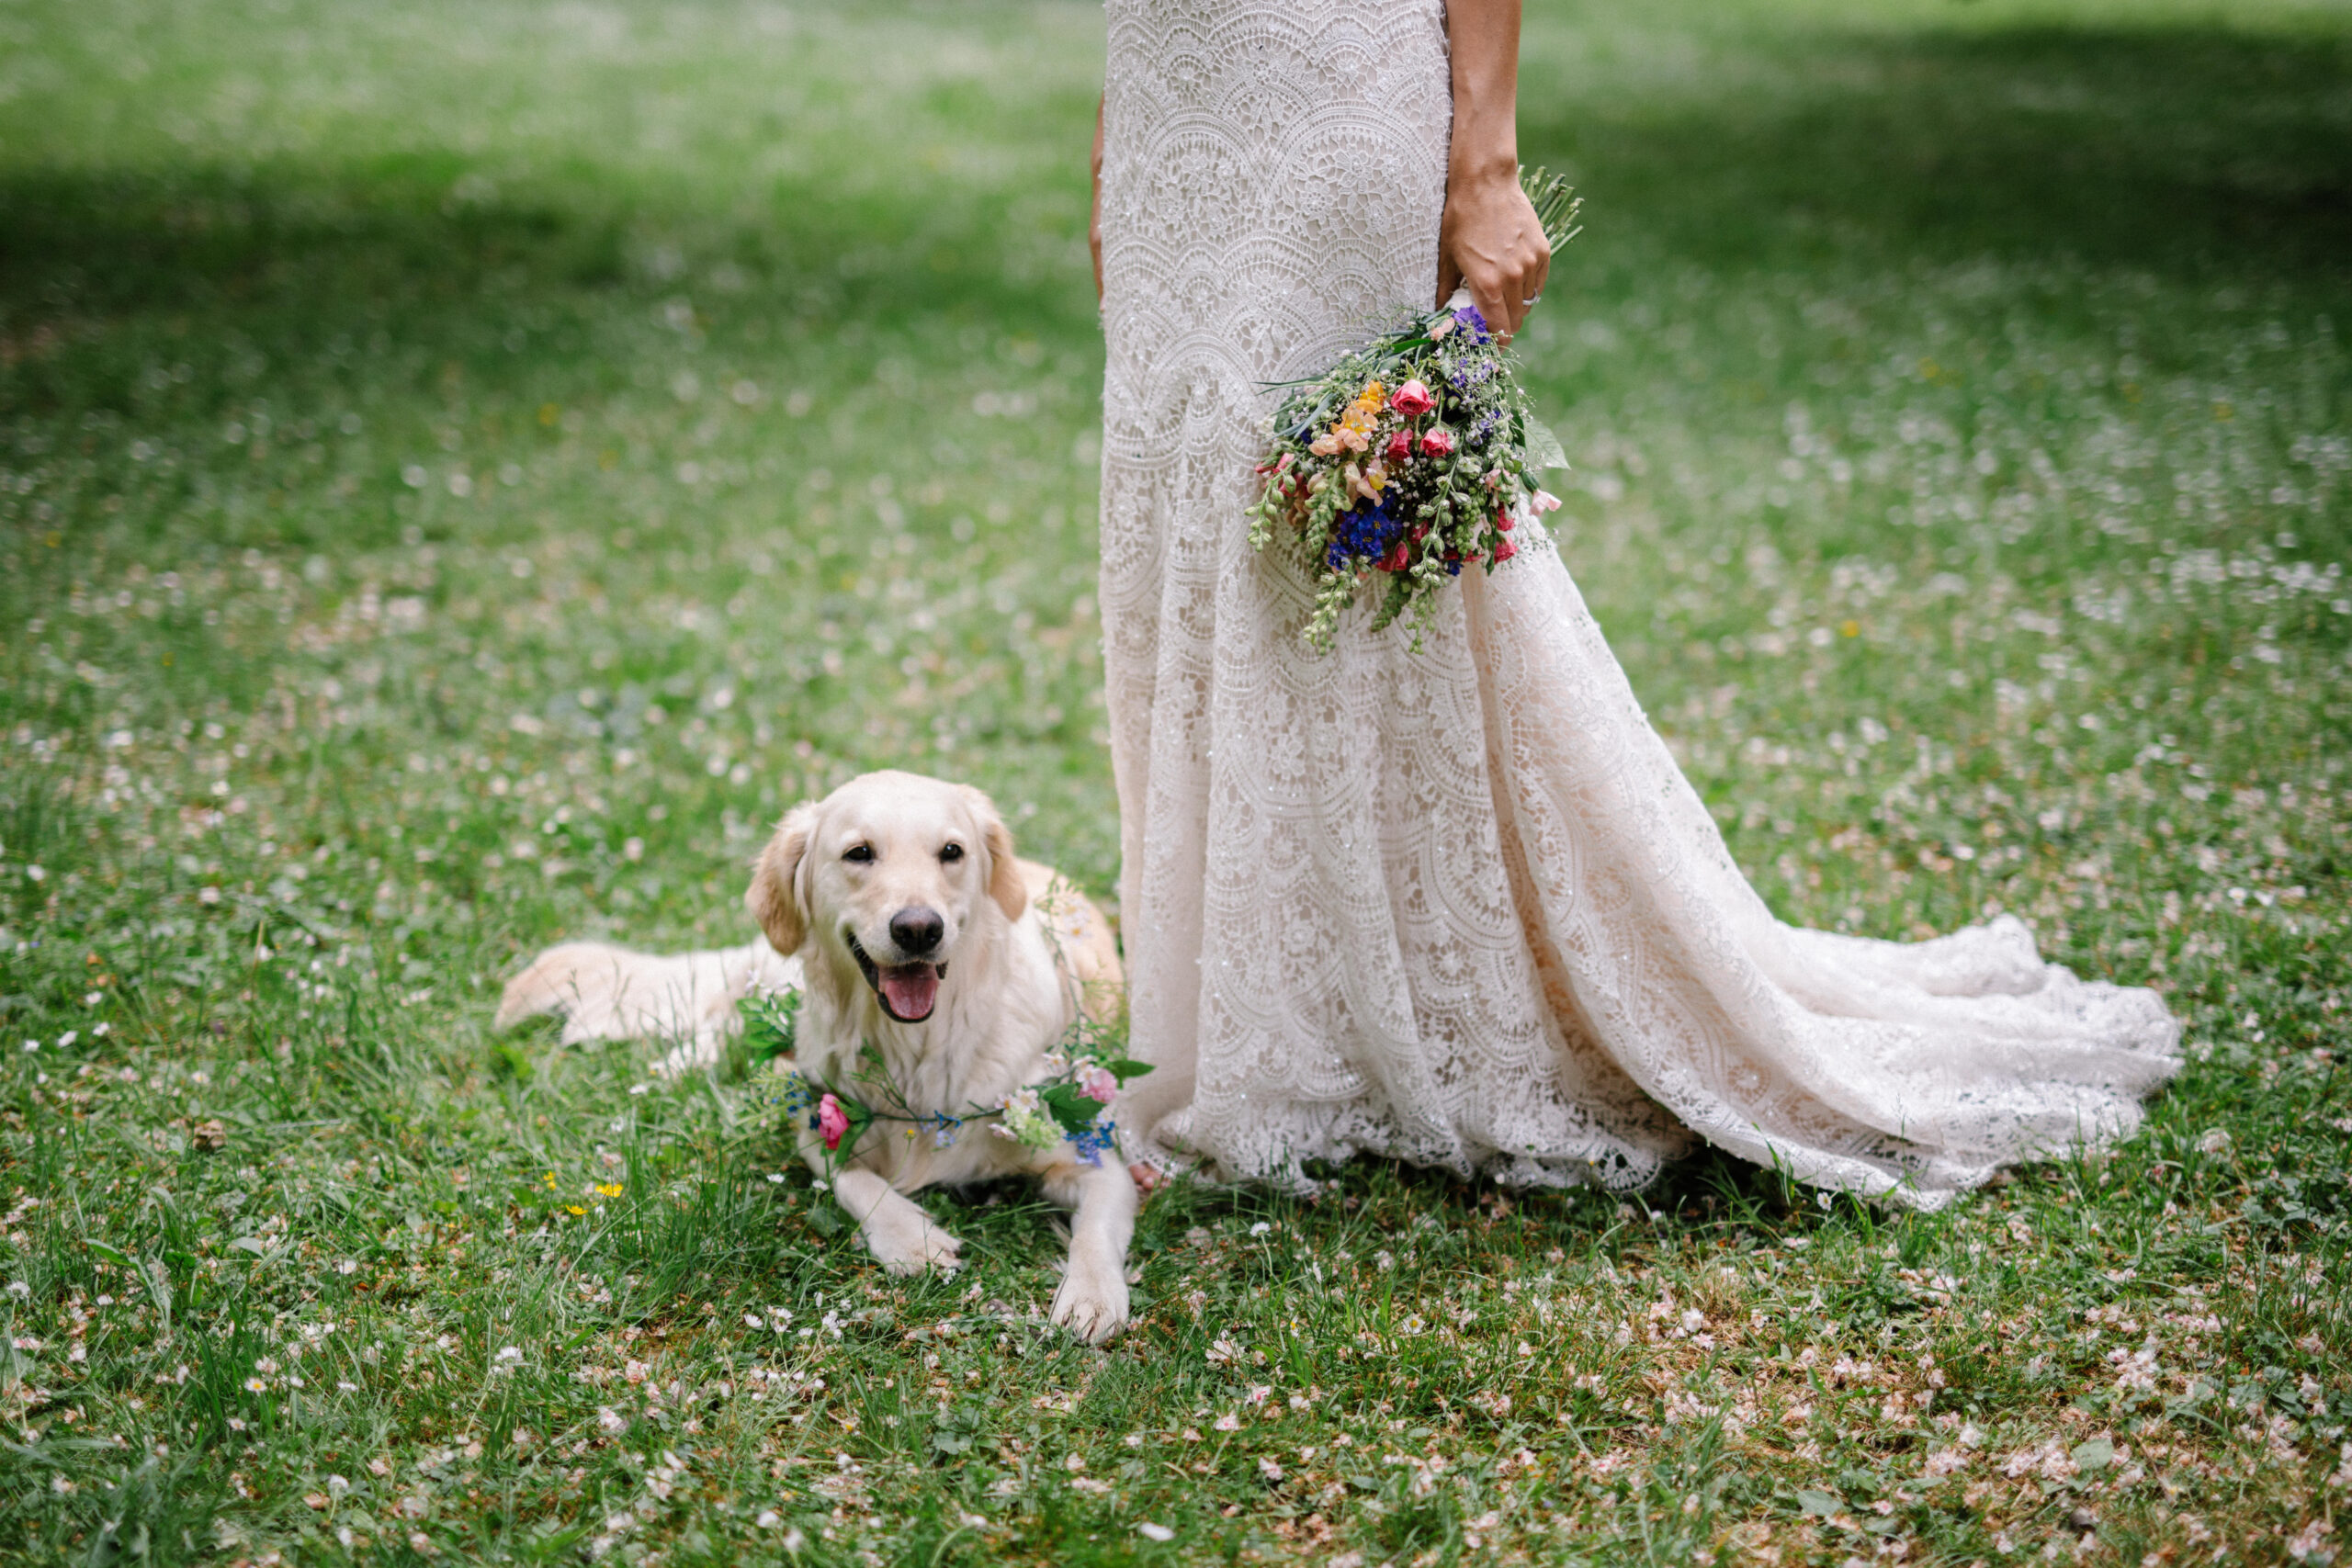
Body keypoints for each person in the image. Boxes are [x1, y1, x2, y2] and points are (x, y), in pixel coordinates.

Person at [1090, 0, 2177, 1206]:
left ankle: (1422, 1011)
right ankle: (1269, 1022)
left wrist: (1486, 162)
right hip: (1168, 126)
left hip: (1328, 95)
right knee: (1196, 525)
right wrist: (1115, 137)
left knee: (1345, 528)